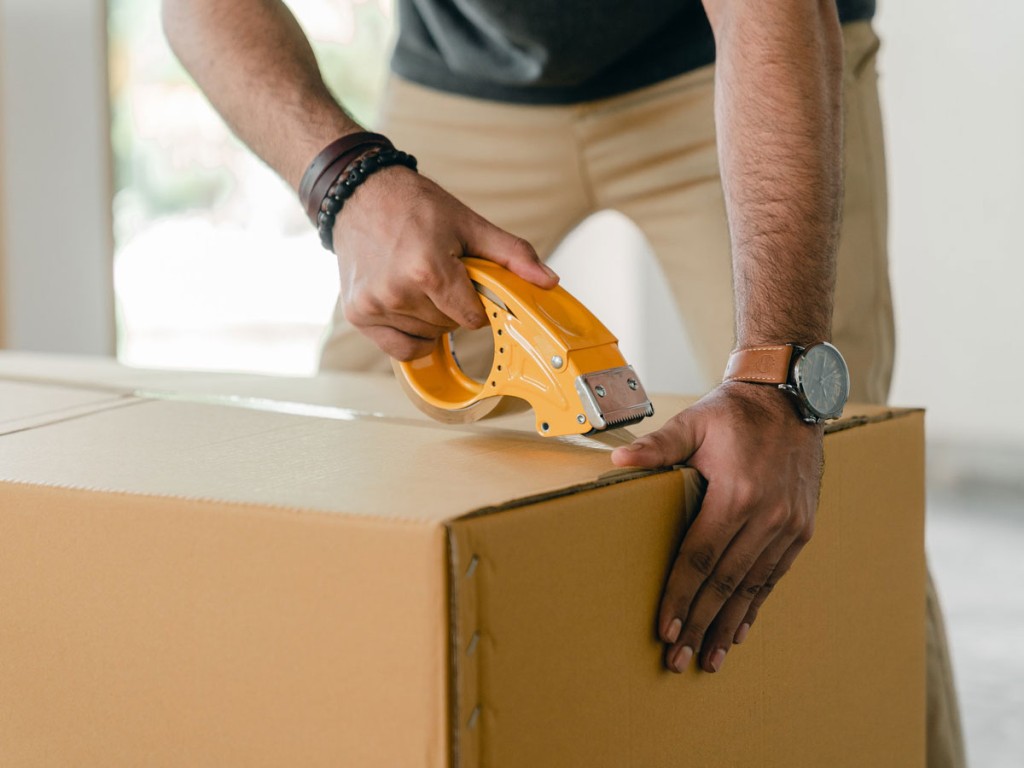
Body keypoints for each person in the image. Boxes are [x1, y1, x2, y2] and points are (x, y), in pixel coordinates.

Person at [162, 1, 965, 764]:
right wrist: (349, 181)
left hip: (728, 57)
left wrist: (778, 378)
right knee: (369, 449)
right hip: (466, 78)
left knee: (830, 477)